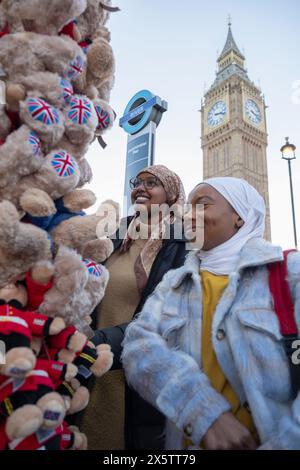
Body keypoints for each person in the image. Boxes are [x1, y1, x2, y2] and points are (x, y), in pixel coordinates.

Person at [122, 176, 300, 450]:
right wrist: (201, 411)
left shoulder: (288, 272)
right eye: (188, 206)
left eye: (202, 205)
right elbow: (137, 345)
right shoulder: (175, 282)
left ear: (240, 217)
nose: (188, 214)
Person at [80, 164, 187, 450]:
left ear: (172, 194)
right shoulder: (112, 236)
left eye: (152, 183)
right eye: (136, 182)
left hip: (136, 374)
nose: (140, 188)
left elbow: (171, 315)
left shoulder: (183, 243)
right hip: (88, 364)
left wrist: (100, 344)